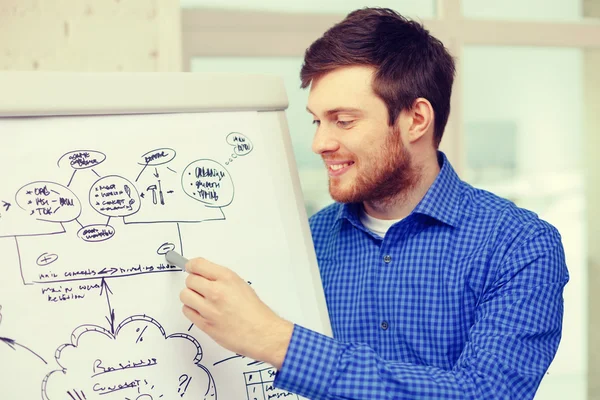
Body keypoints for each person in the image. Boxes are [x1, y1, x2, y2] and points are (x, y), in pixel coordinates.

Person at [179, 7, 569, 399]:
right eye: (317, 121)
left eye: (343, 120)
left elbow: (486, 392)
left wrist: (276, 340)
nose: (320, 143)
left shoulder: (520, 245)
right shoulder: (310, 240)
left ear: (415, 119)